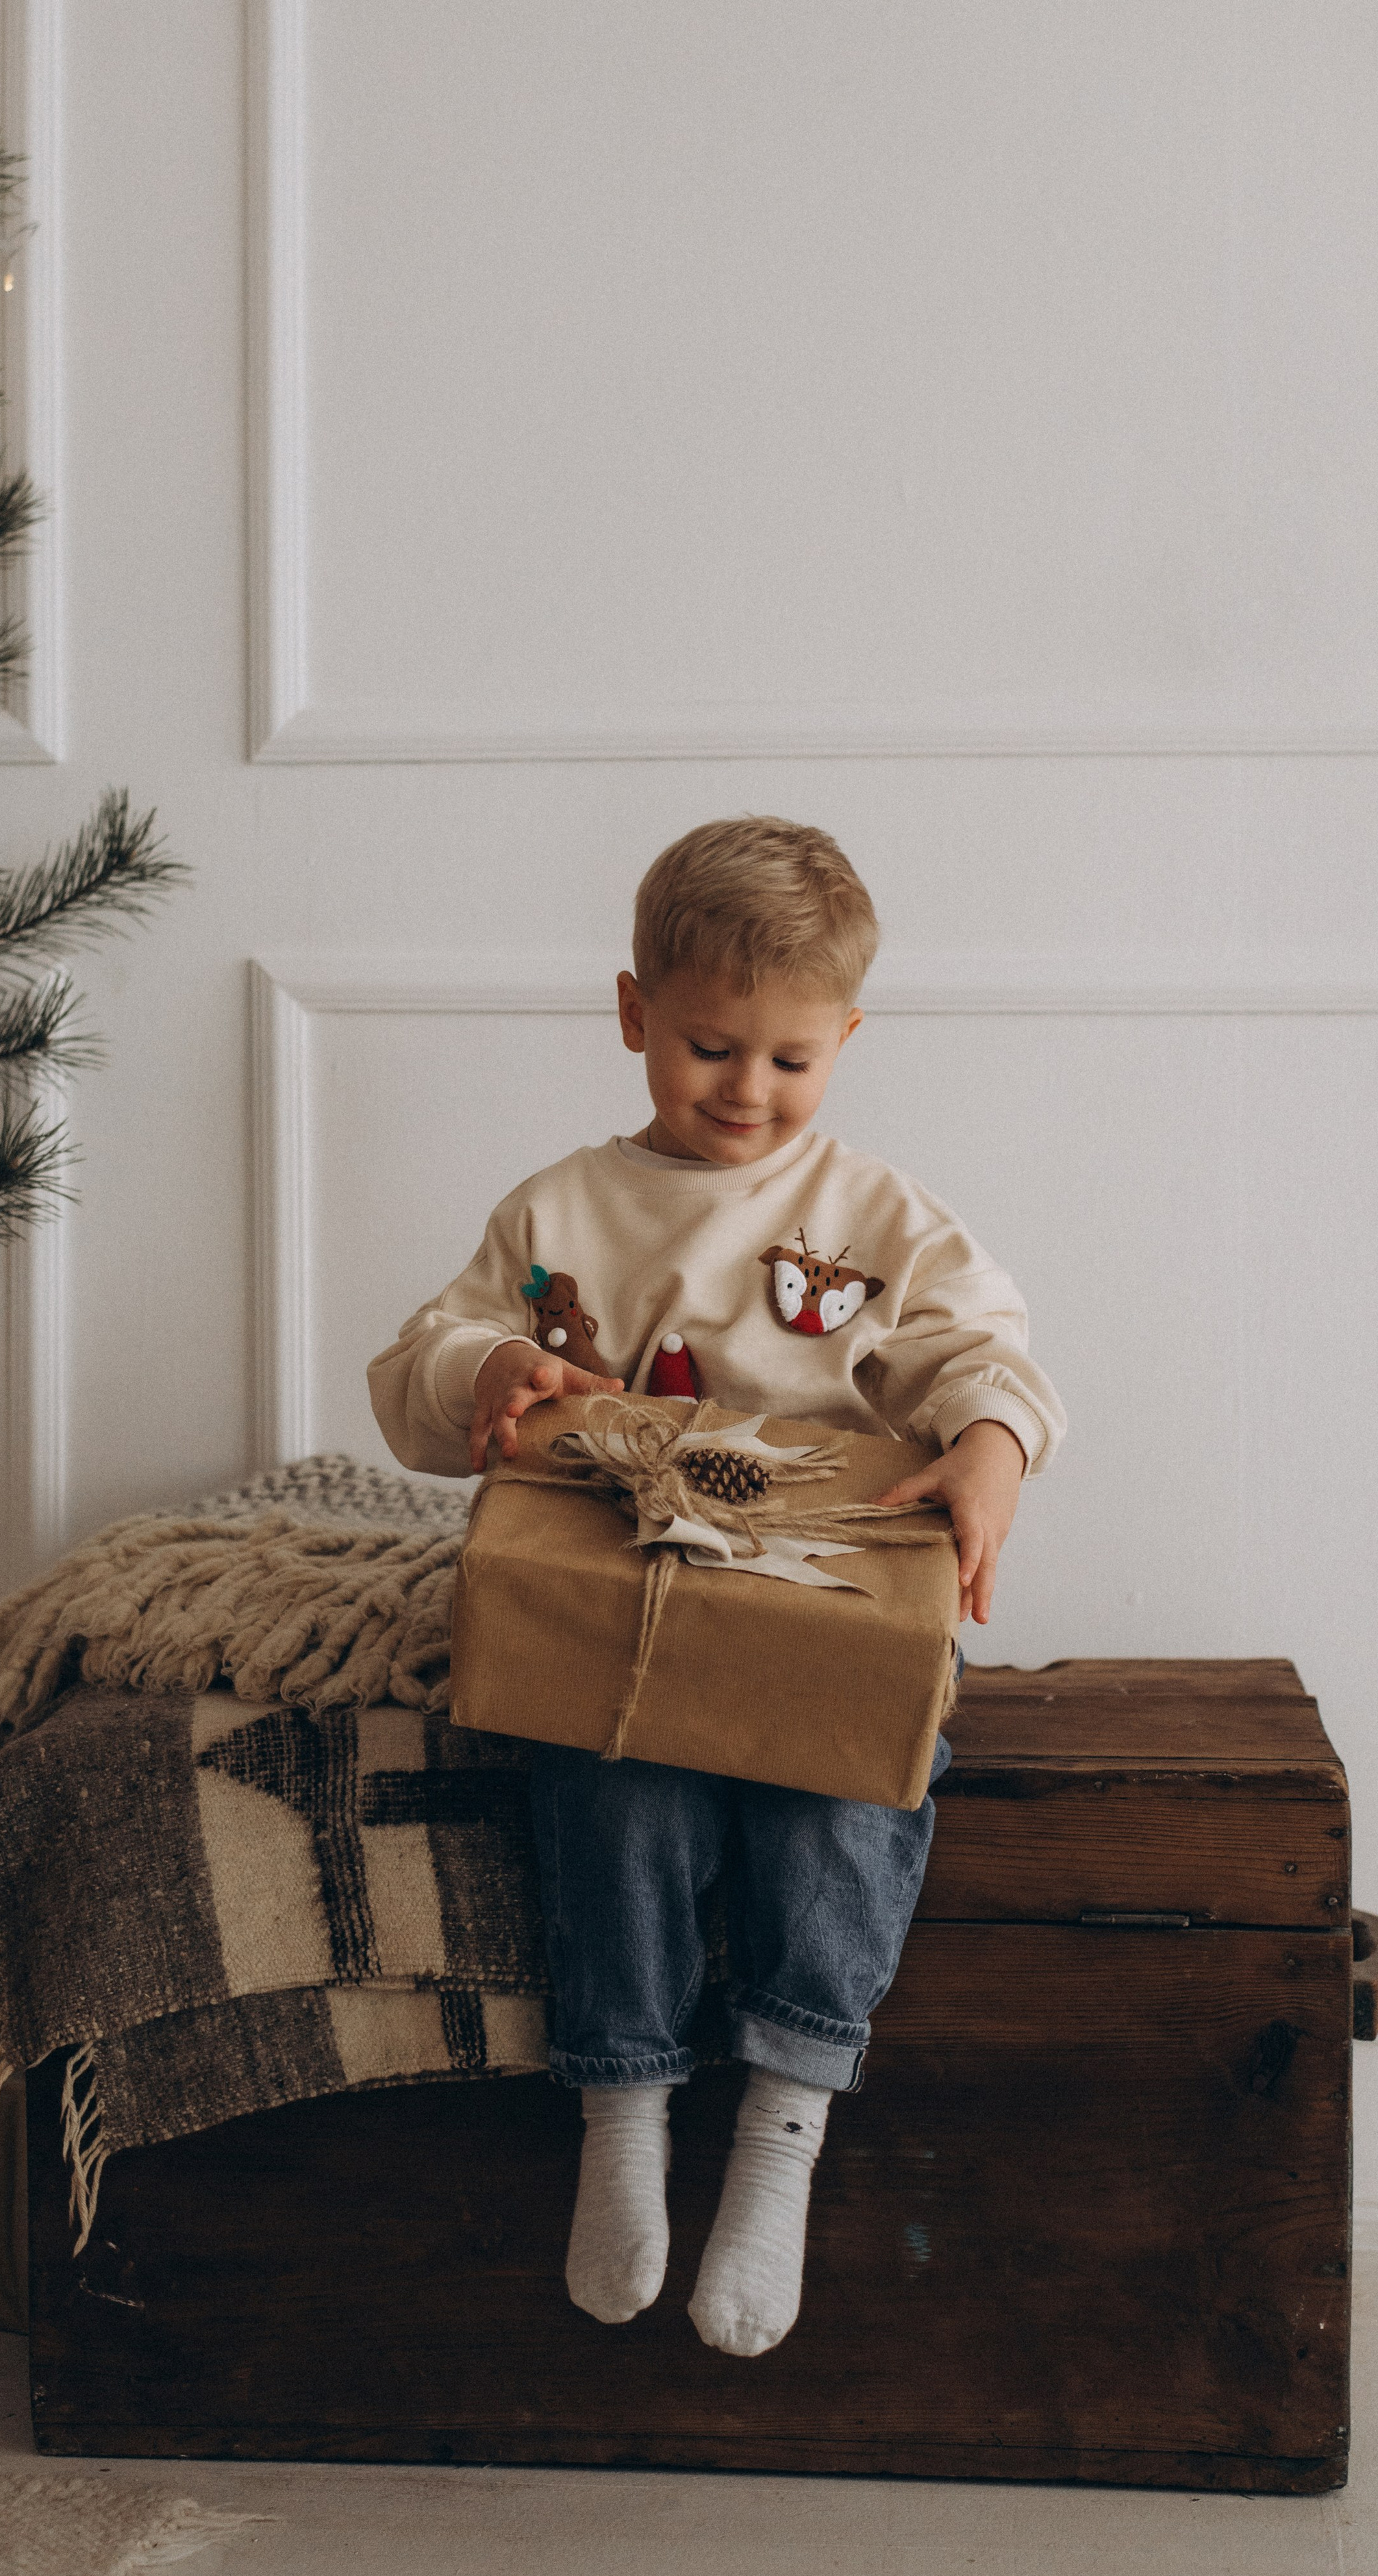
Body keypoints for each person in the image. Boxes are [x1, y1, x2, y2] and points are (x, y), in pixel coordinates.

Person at [368, 816, 1065, 2355]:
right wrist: (491, 1368)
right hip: (619, 1609)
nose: (745, 1090)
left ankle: (781, 2128)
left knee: (841, 1802)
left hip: (818, 1609)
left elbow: (981, 1351)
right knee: (616, 1791)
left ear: (844, 1043)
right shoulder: (558, 1214)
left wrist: (991, 1447)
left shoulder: (875, 1221)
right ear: (632, 1015)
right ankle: (621, 2112)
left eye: (789, 1060)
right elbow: (417, 1374)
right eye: (706, 1047)